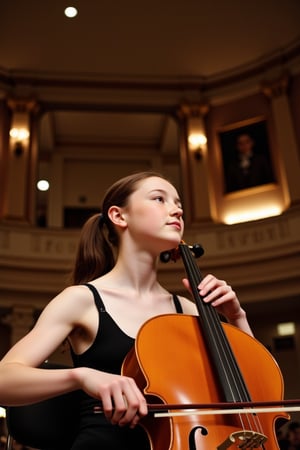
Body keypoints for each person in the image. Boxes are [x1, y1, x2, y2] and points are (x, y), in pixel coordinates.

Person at [0, 171, 253, 449]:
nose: (177, 210)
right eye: (159, 198)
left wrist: (236, 316)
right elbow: (5, 378)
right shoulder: (82, 300)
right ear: (119, 216)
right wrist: (81, 377)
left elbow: (249, 390)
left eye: (178, 203)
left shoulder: (187, 310)